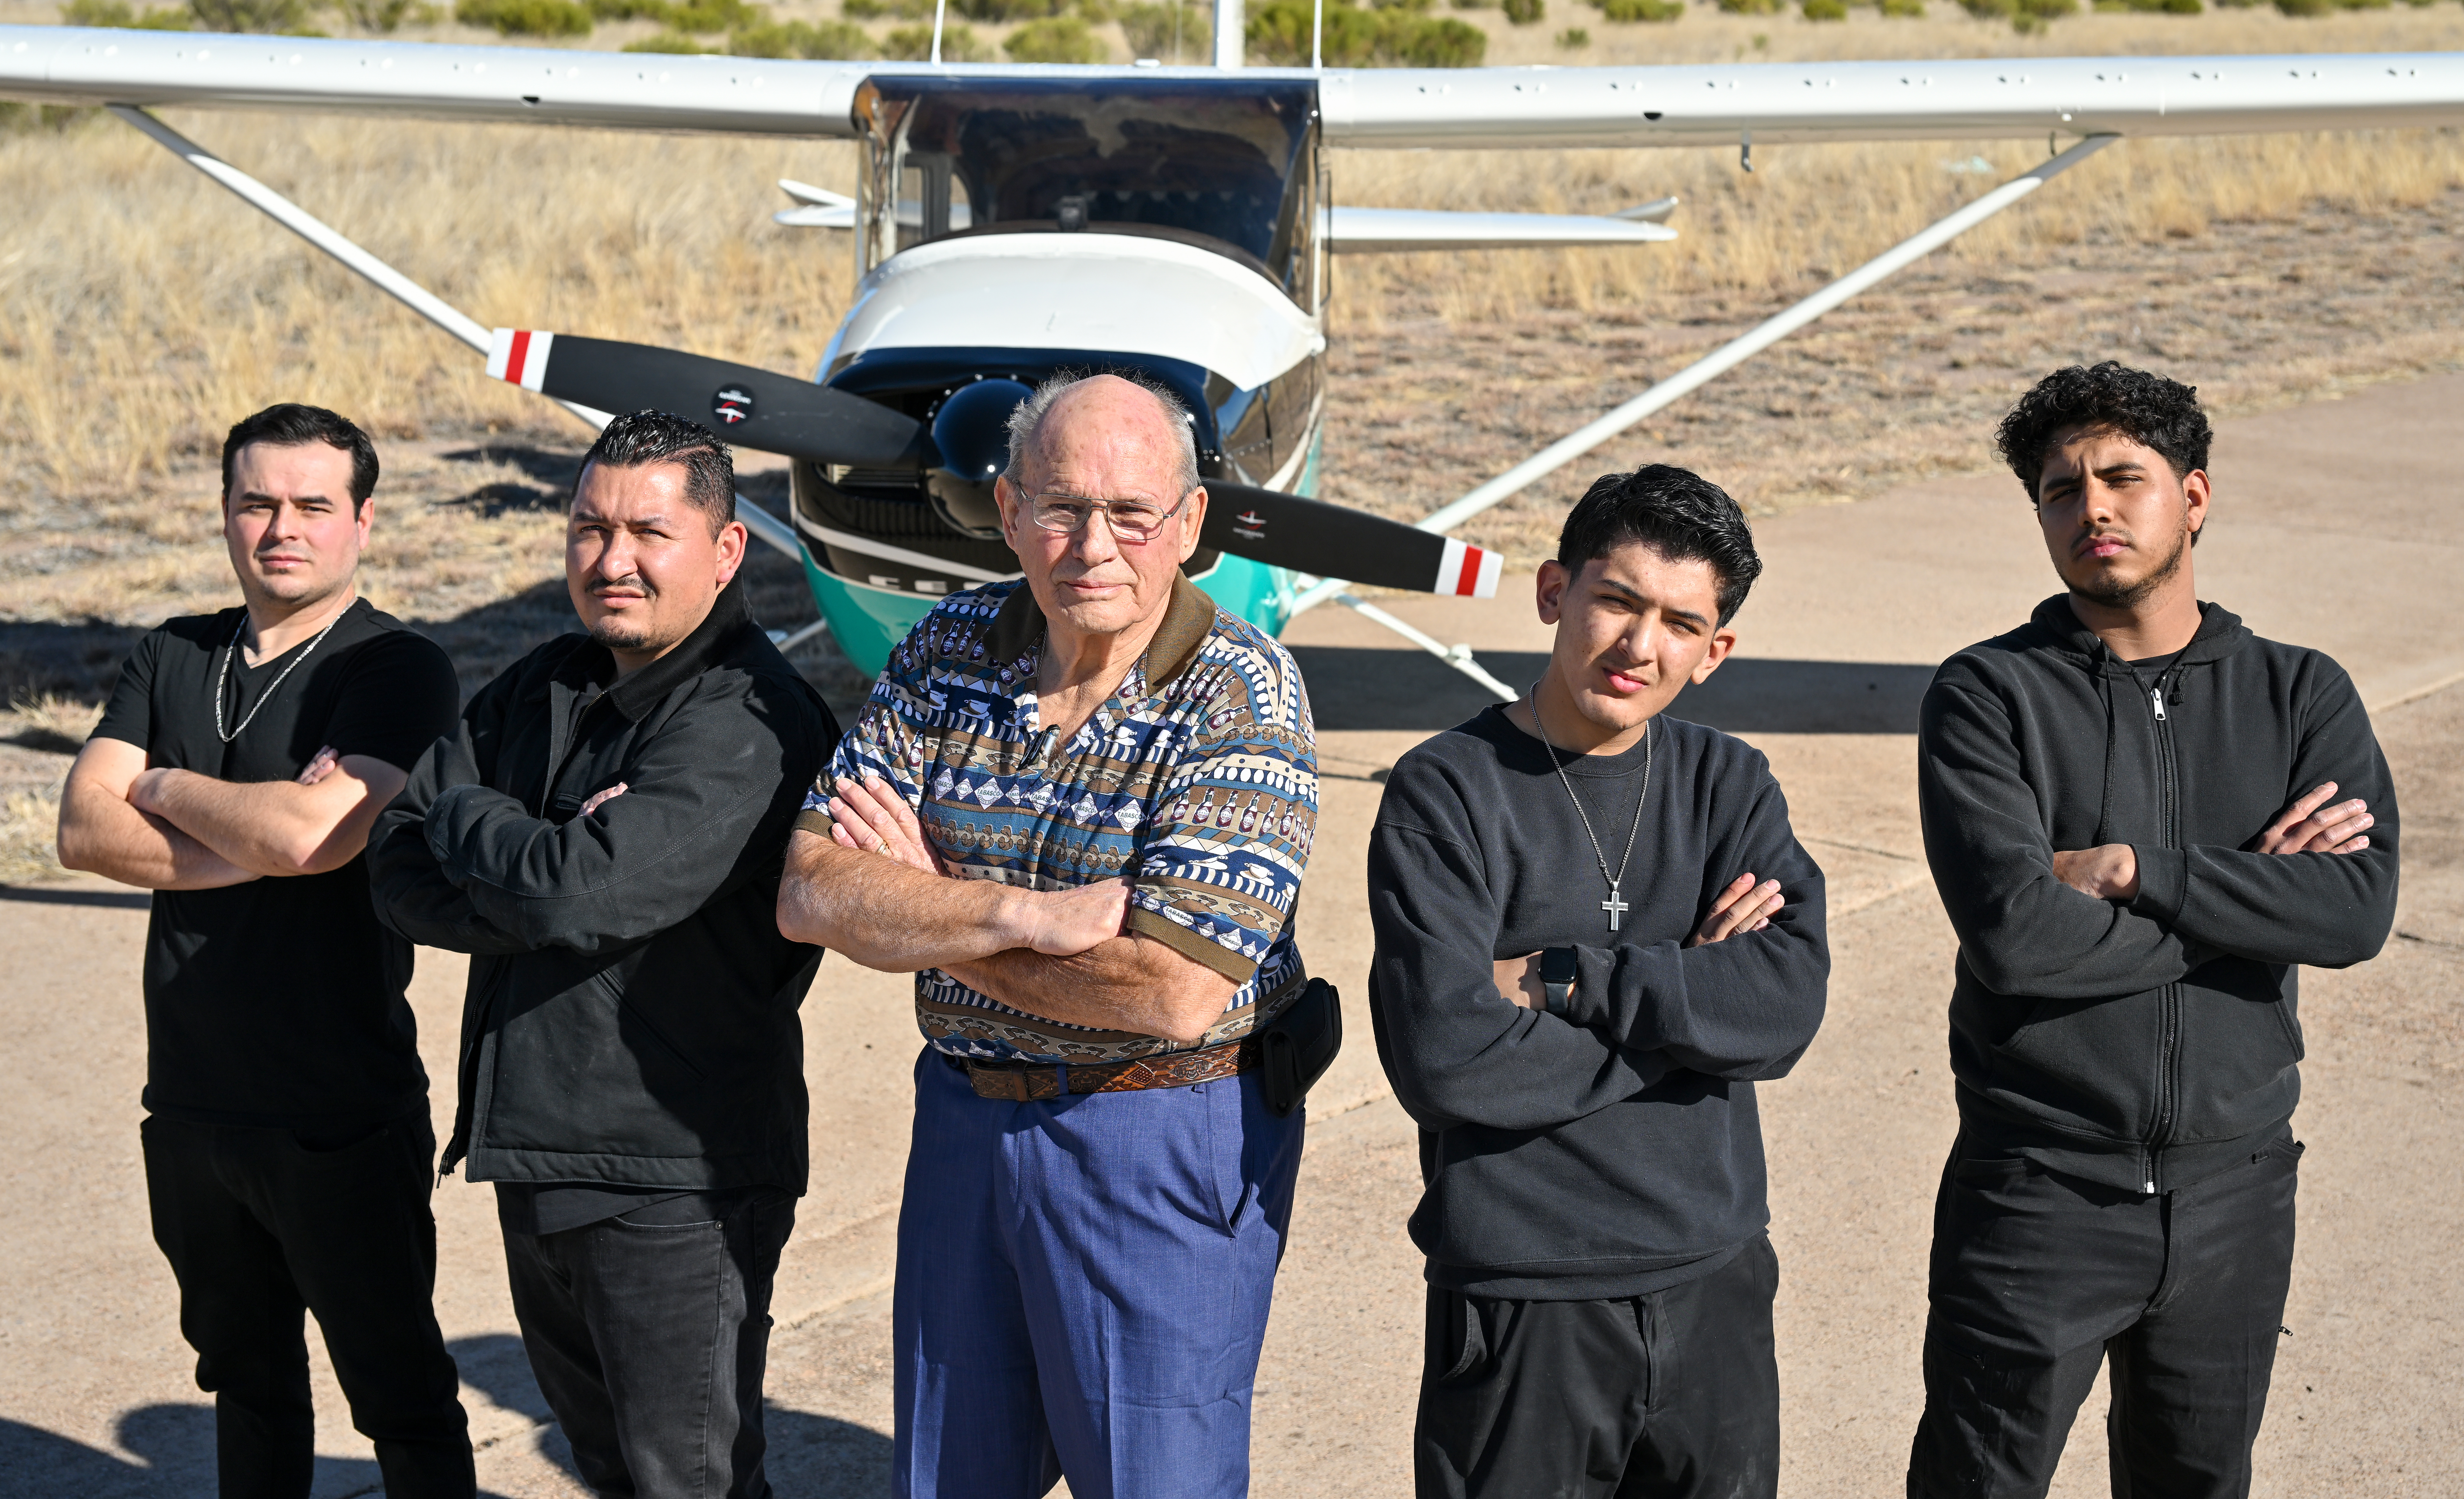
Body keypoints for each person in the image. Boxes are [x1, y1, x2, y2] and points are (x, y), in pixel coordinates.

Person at [776, 373, 1319, 1499]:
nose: (1093, 545)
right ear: (1009, 510)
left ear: (1190, 525)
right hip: (967, 1120)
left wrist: (925, 912)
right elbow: (810, 889)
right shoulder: (945, 648)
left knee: (1152, 1480)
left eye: (1132, 514)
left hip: (1159, 1131)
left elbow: (1170, 992)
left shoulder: (1242, 696)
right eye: (1061, 506)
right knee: (950, 1479)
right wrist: (1017, 914)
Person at [1907, 362, 2400, 1498]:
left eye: (2122, 477)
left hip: (2236, 1193)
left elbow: (2357, 909)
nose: (2091, 509)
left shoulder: (2300, 694)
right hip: (2038, 1190)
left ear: (2194, 495)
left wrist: (2137, 871)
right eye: (2059, 489)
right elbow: (2018, 941)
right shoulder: (1987, 696)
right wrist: (2251, 902)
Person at [365, 411, 836, 1499]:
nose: (610, 559)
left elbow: (584, 890)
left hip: (673, 1182)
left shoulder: (747, 722)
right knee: (611, 1477)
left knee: (693, 1485)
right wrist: (534, 872)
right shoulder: (540, 683)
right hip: (535, 1158)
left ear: (725, 553)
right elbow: (398, 863)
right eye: (588, 528)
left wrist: (484, 832)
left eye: (647, 533)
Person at [1367, 463, 1830, 1499]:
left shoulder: (1729, 784)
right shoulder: (1444, 793)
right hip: (1522, 1296)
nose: (1638, 646)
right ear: (1553, 594)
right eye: (1615, 601)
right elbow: (1445, 1058)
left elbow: (1783, 1008)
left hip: (1713, 1281)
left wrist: (1554, 980)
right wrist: (1690, 1007)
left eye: (1677, 622)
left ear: (1715, 653)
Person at [55, 403, 473, 1498]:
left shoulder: (396, 667)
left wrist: (161, 787)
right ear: (228, 515)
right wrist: (254, 837)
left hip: (340, 1108)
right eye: (257, 503)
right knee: (245, 1385)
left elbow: (314, 834)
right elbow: (79, 829)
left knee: (401, 1397)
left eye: (312, 506)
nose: (281, 527)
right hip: (191, 1105)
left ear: (363, 522)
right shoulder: (173, 651)